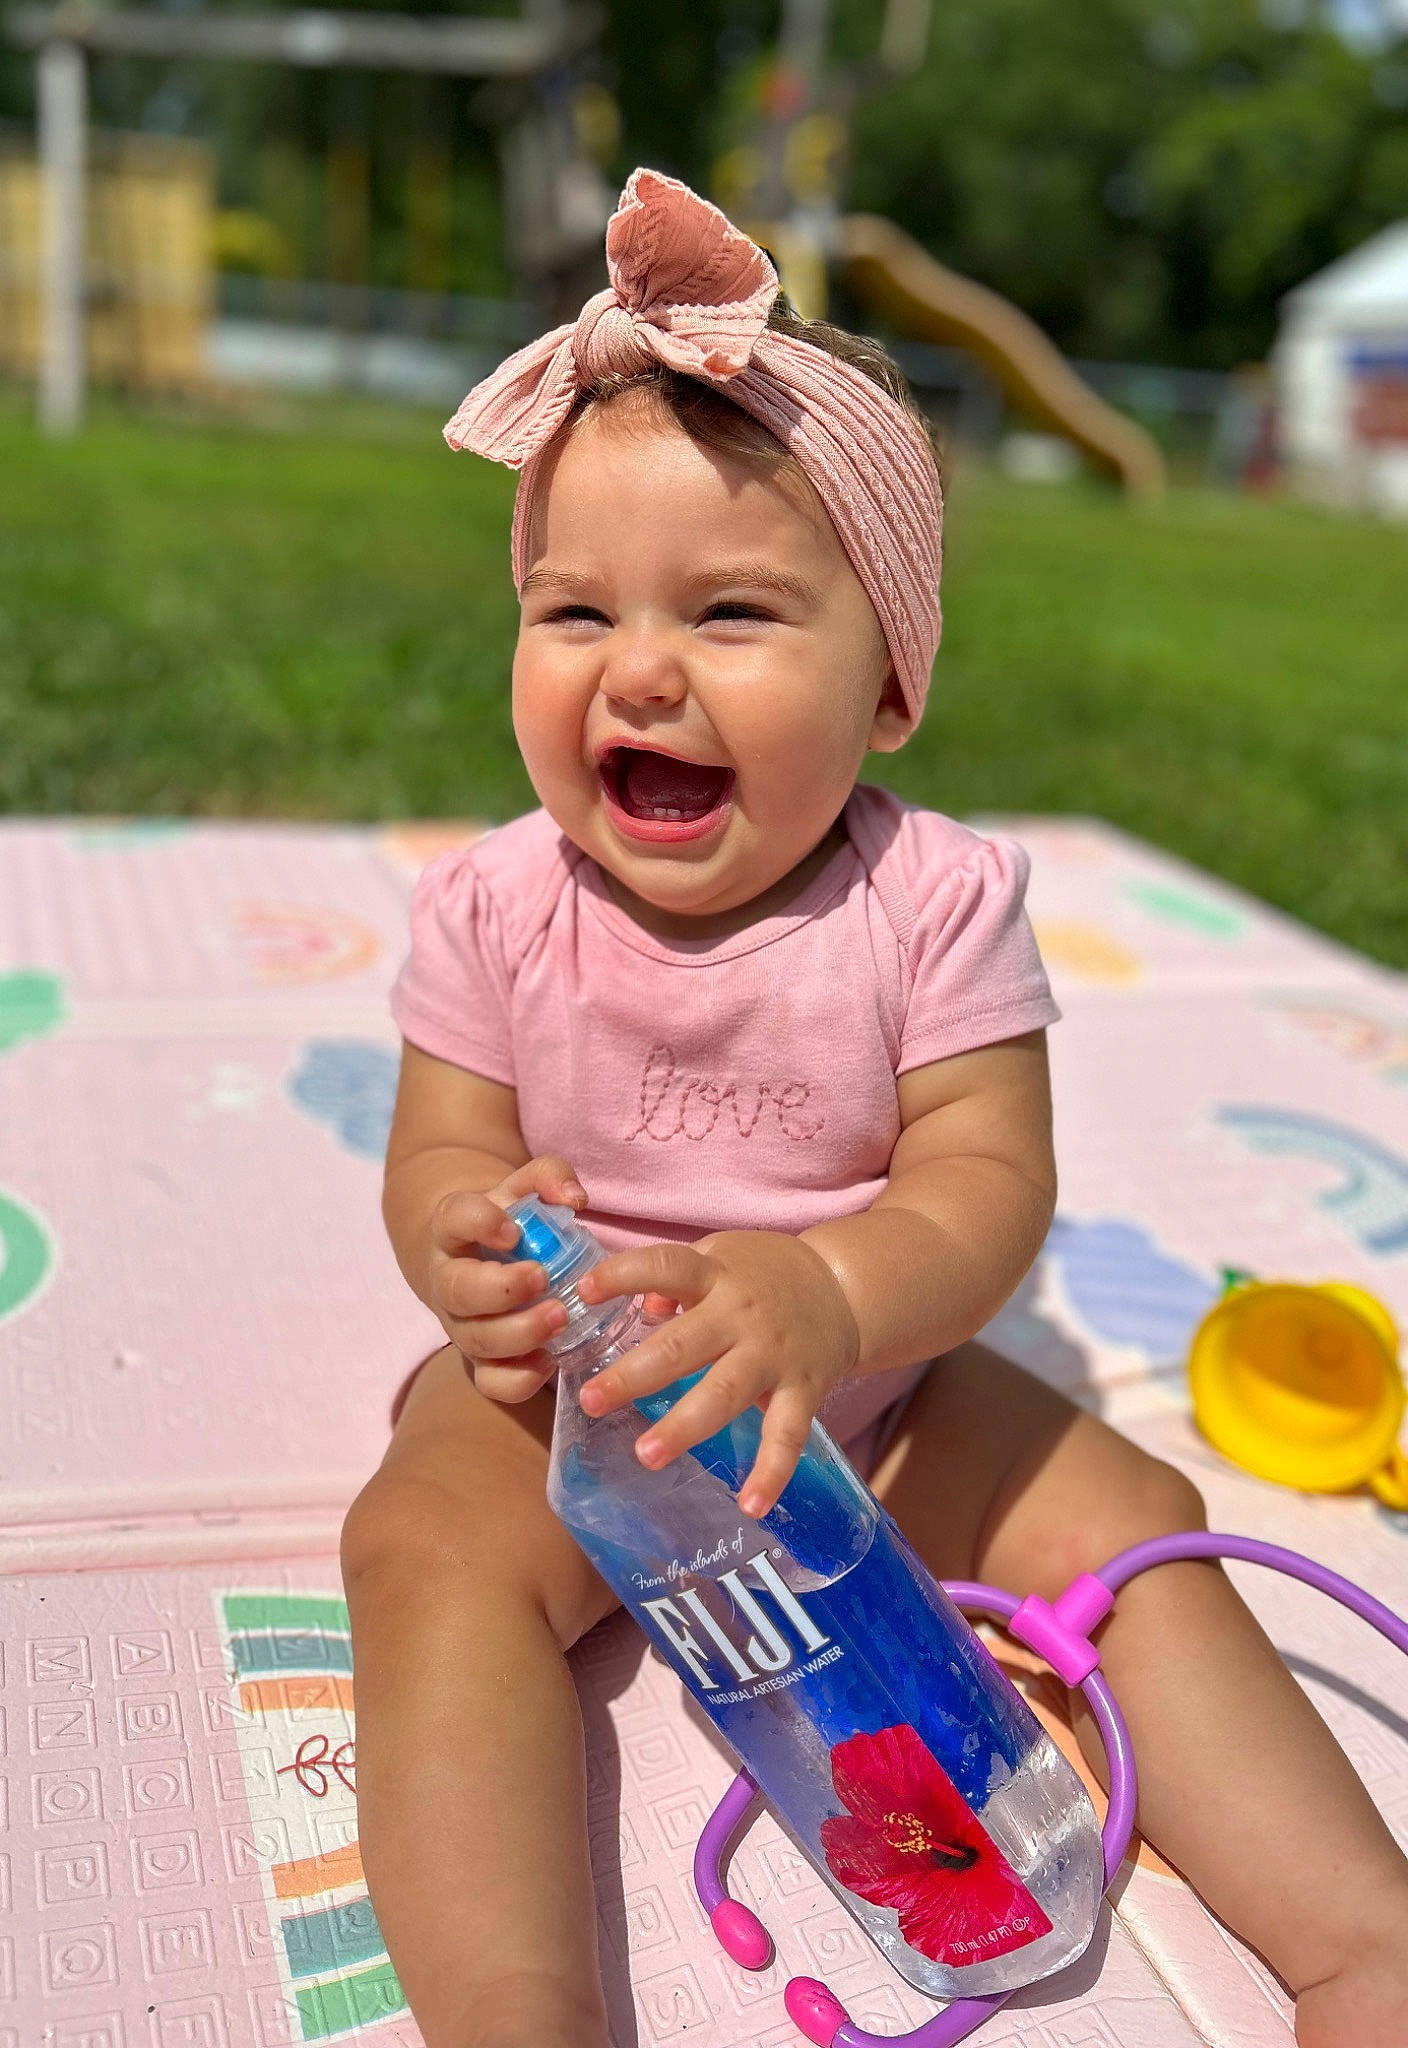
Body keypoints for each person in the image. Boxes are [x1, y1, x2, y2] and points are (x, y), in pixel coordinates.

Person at [341, 169, 1408, 2048]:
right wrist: (457, 1242)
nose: (639, 669)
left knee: (1134, 1518)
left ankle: (1362, 1950)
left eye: (734, 612)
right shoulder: (494, 901)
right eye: (571, 607)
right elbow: (439, 1142)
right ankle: (519, 2014)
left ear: (890, 680)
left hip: (877, 1397)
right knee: (422, 1552)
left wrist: (828, 1300)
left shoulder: (932, 905)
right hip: (573, 1415)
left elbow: (988, 1185)